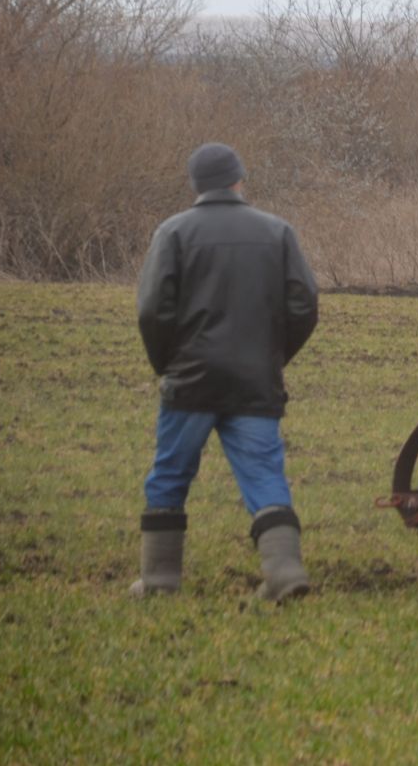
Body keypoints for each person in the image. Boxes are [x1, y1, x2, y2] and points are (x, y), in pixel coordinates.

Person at [132, 143, 319, 602]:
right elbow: (305, 305)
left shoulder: (172, 232)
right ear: (239, 179)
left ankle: (159, 580)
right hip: (255, 381)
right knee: (264, 474)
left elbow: (153, 311)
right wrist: (272, 358)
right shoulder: (277, 232)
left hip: (190, 381)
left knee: (170, 474)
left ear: (195, 185)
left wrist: (167, 365)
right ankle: (284, 572)